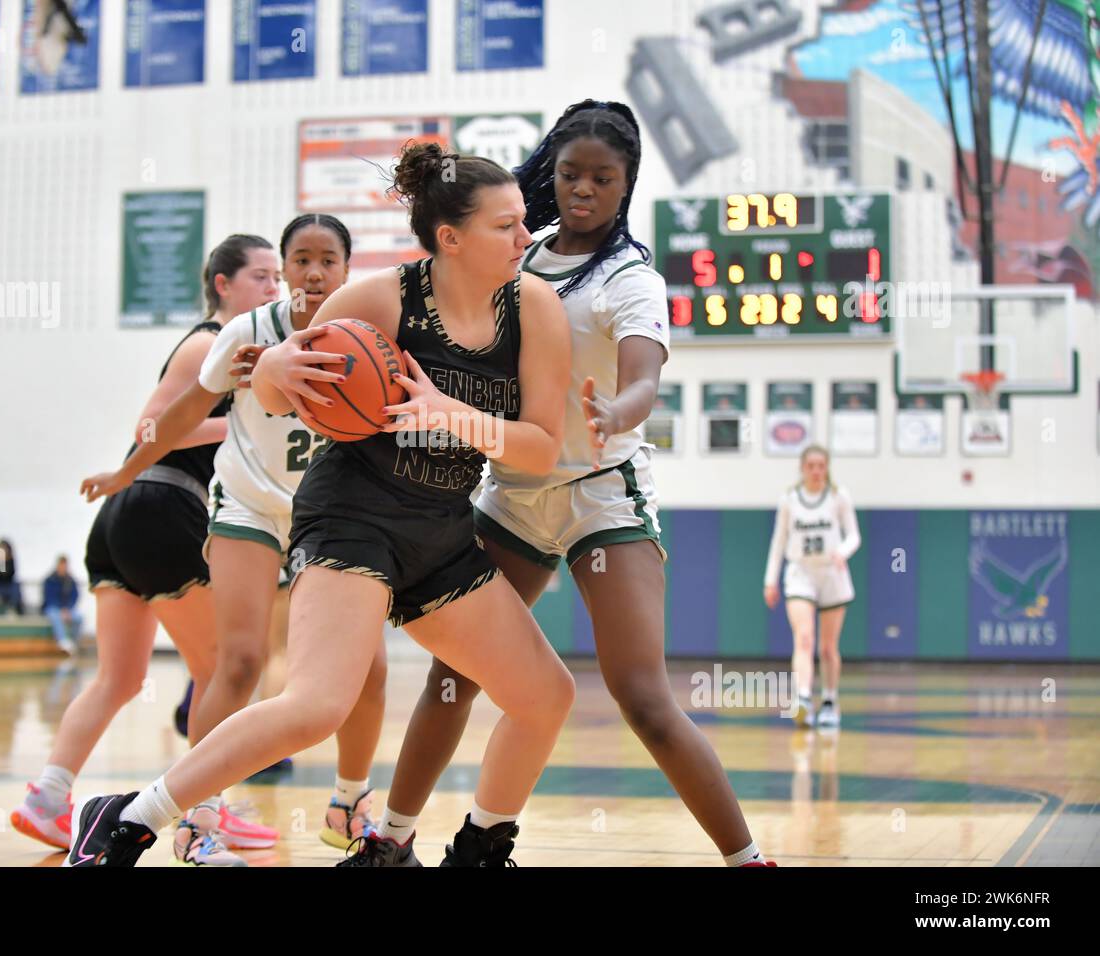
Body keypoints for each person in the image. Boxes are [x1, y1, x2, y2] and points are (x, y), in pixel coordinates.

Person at [62, 142, 576, 868]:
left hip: (440, 528)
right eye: (507, 226)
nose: (527, 239)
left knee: (545, 695)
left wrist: (450, 413)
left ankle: (480, 847)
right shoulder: (380, 300)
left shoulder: (536, 308)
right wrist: (270, 368)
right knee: (317, 705)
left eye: (524, 222)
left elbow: (542, 447)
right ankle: (126, 817)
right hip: (352, 514)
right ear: (451, 238)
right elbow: (278, 390)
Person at [345, 100, 774, 868]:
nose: (582, 188)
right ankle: (392, 843)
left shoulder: (631, 278)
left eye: (602, 178)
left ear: (625, 184)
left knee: (643, 696)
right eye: (570, 173)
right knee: (456, 676)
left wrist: (621, 407)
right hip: (512, 488)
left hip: (601, 493)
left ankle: (747, 860)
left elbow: (645, 373)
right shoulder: (518, 251)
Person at [80, 214, 388, 852]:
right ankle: (200, 818)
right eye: (299, 259)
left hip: (322, 515)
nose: (312, 272)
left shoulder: (370, 334)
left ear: (346, 269)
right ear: (284, 267)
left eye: (327, 260)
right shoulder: (248, 332)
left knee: (368, 666)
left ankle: (349, 800)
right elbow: (181, 413)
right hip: (246, 507)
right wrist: (125, 470)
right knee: (239, 660)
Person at [10, 235, 281, 865]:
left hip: (126, 514)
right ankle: (201, 818)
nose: (274, 289)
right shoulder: (206, 342)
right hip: (164, 508)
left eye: (277, 279)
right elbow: (153, 424)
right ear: (222, 284)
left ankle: (48, 798)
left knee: (120, 676)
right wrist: (249, 418)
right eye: (262, 277)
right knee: (223, 671)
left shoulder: (239, 347)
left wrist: (118, 478)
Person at [763, 444, 859, 729]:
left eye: (821, 465)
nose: (817, 471)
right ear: (802, 468)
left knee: (828, 648)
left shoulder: (838, 496)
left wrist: (842, 551)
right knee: (804, 638)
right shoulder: (789, 500)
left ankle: (830, 700)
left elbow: (854, 535)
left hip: (832, 573)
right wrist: (770, 580)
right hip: (800, 572)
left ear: (827, 467)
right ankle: (803, 698)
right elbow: (778, 541)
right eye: (811, 465)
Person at [41, 555, 82, 655]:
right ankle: (63, 642)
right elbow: (49, 598)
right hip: (53, 608)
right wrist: (61, 610)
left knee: (79, 618)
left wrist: (67, 608)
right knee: (55, 616)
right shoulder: (50, 580)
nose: (63, 568)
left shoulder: (71, 580)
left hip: (67, 609)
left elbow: (75, 596)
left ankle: (73, 642)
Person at [0, 539, 24, 615]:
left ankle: (17, 609)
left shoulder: (11, 560)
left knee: (16, 586)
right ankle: (12, 608)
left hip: (8, 585)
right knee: (10, 589)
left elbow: (11, 575)